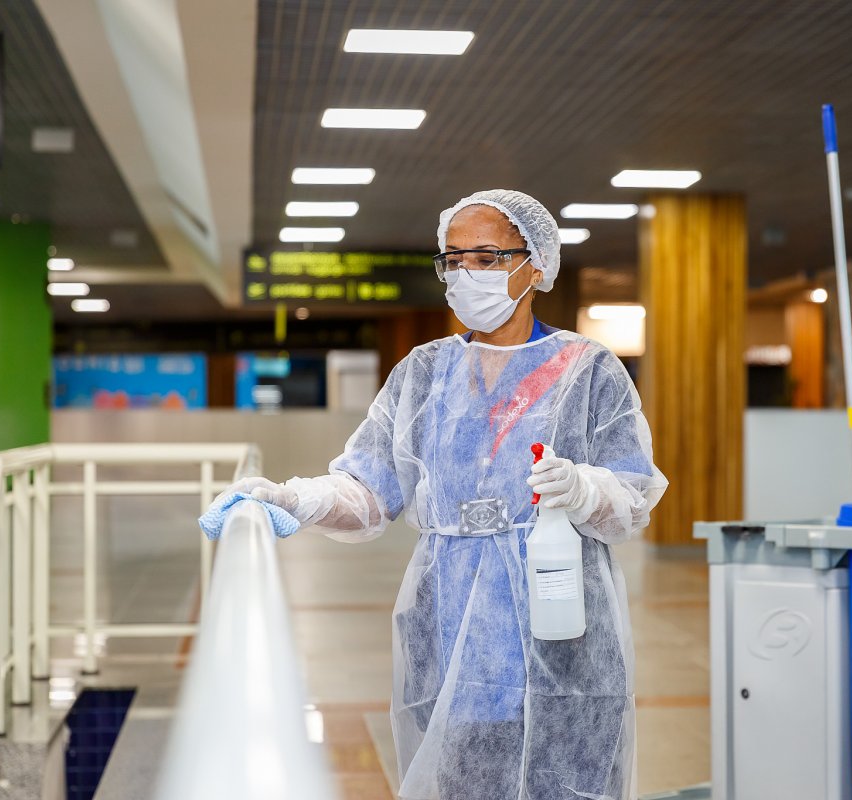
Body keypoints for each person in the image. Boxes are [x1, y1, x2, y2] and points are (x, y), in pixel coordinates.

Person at [214, 189, 668, 800]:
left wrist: (584, 490)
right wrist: (295, 498)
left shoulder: (588, 370)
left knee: (564, 775)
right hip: (448, 618)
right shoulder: (424, 373)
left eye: (485, 257)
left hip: (560, 617)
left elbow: (632, 495)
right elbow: (369, 488)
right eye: (452, 260)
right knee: (459, 774)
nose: (464, 275)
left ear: (535, 265)